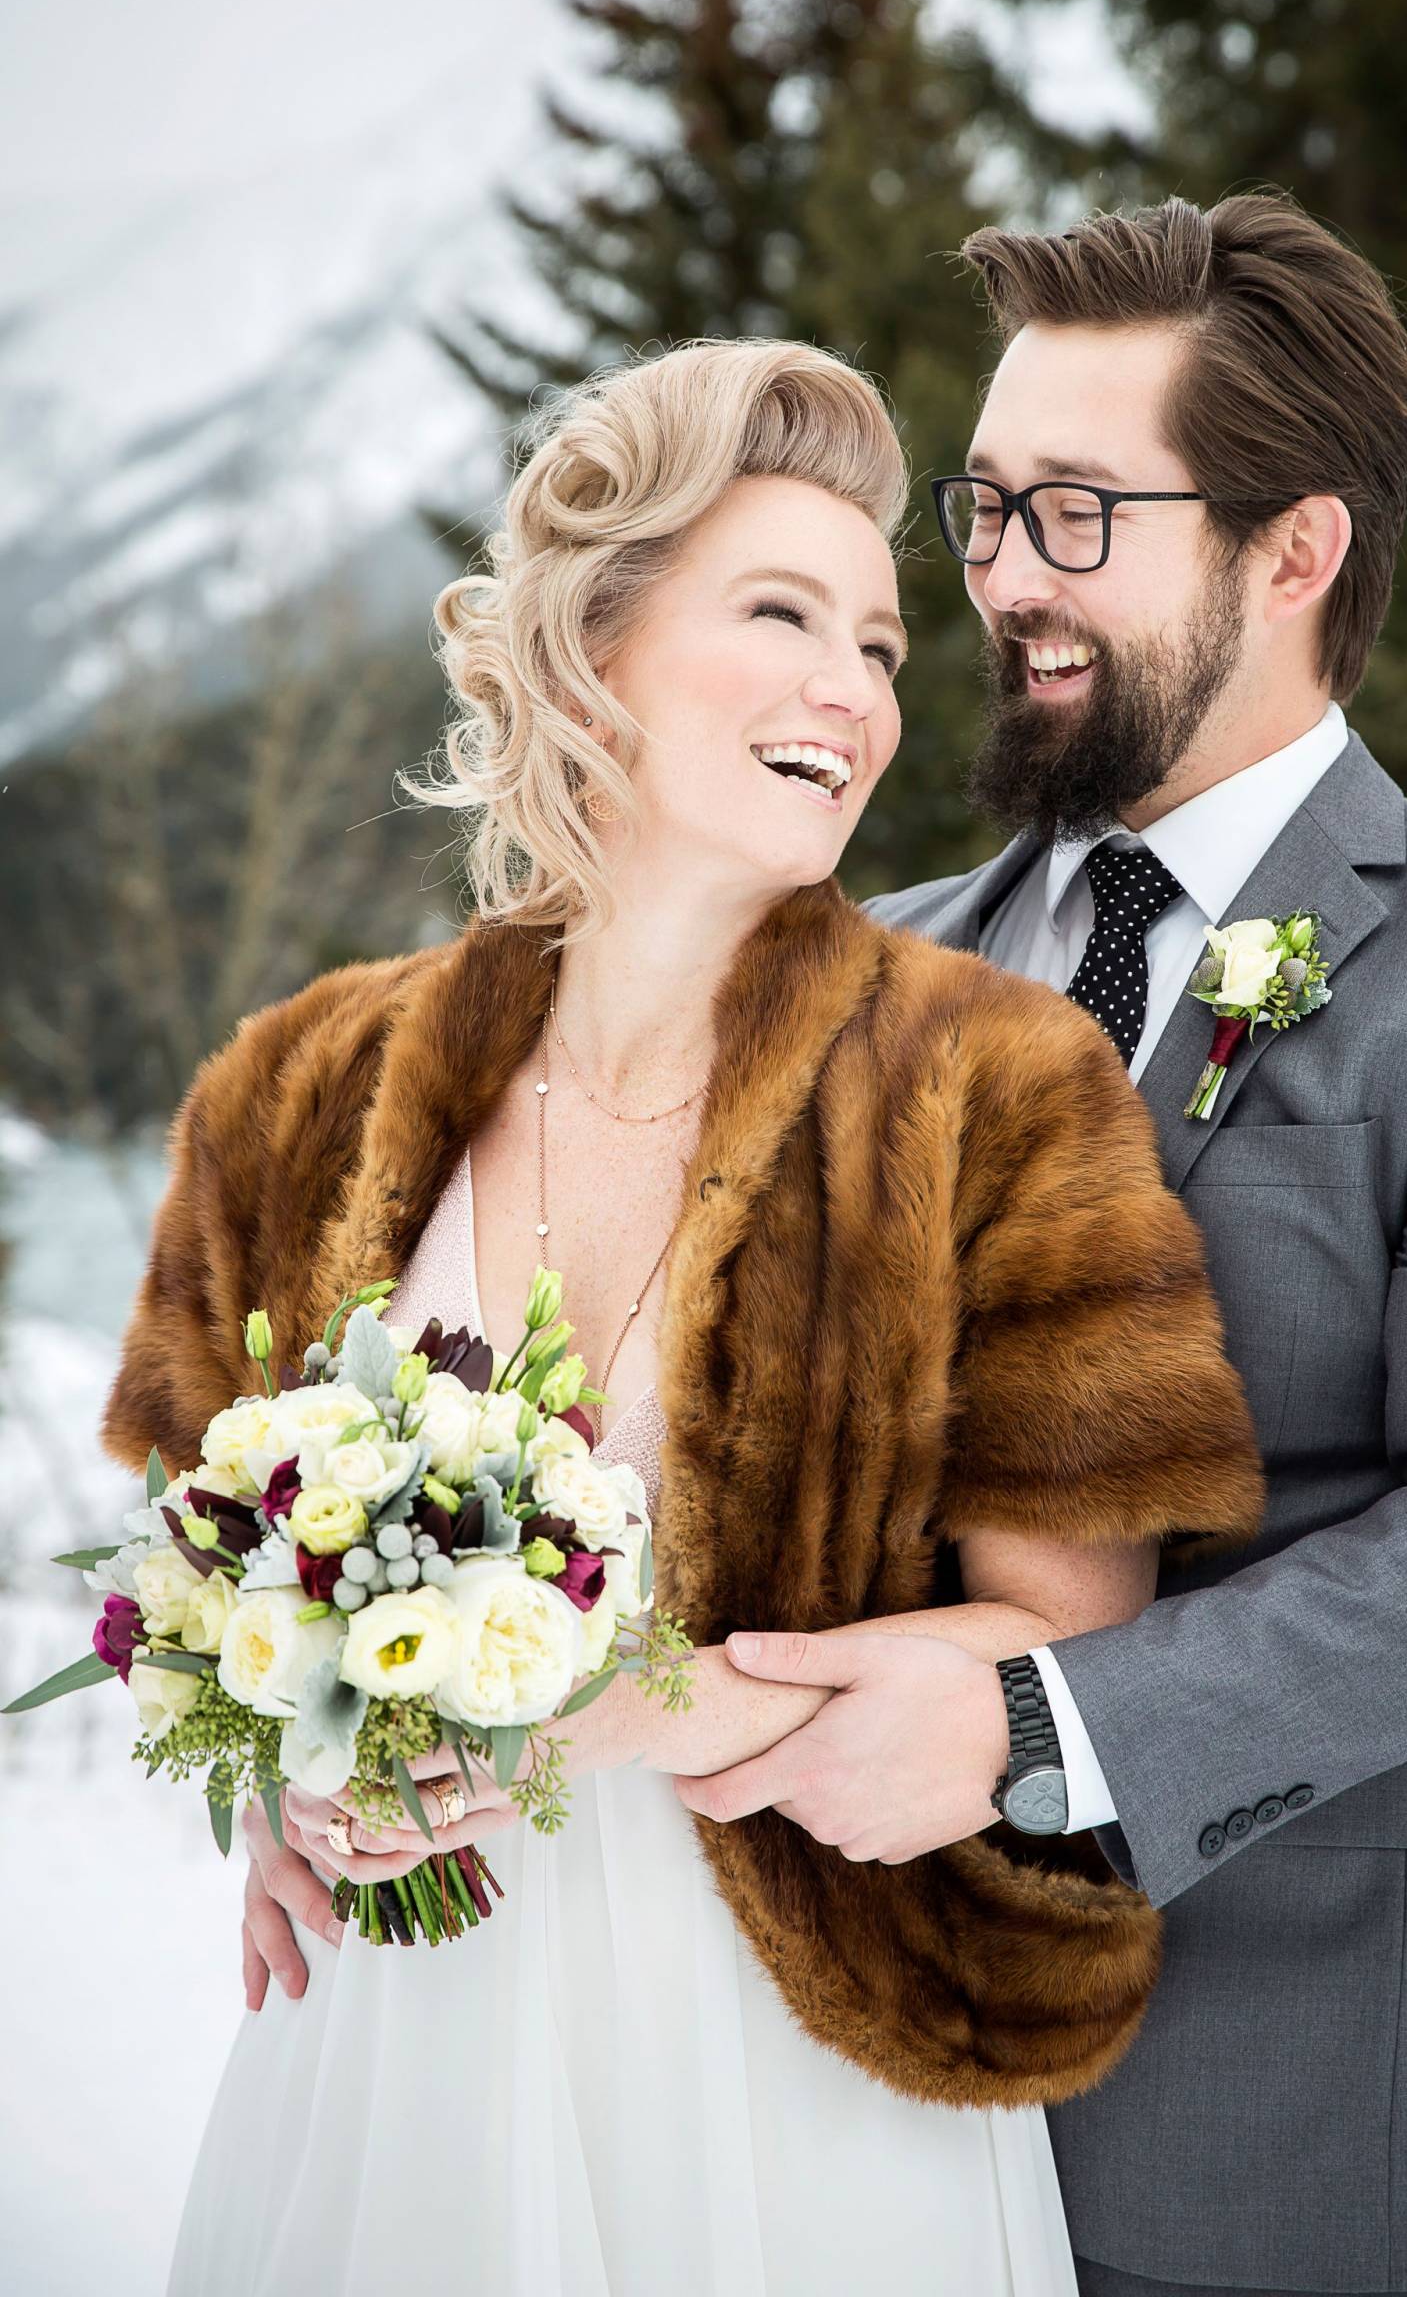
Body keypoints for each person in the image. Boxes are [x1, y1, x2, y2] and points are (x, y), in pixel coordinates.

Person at [99, 336, 1263, 2297]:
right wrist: (280, 1777)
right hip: (393, 2042)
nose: (855, 689)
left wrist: (671, 1699)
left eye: (884, 649)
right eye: (782, 613)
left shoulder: (989, 1085)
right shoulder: (298, 1087)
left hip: (796, 2050)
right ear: (592, 649)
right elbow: (195, 1558)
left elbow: (1075, 1635)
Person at [673, 195, 1407, 2297]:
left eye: (1075, 512)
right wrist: (421, 1697)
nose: (996, 576)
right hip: (831, 2129)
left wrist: (1032, 1729)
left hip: (1282, 2136)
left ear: (1293, 553)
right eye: (982, 506)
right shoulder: (848, 965)